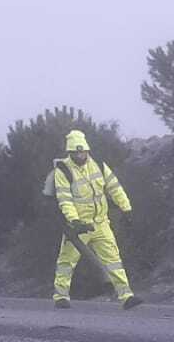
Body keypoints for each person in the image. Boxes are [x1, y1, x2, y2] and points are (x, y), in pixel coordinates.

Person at [49, 129, 138, 308]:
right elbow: (65, 199)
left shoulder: (99, 164)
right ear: (70, 152)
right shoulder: (63, 170)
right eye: (76, 152)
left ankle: (126, 296)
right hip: (77, 226)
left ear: (87, 150)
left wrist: (126, 208)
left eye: (82, 151)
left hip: (101, 223)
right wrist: (74, 221)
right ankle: (61, 296)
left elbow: (115, 188)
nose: (80, 155)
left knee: (113, 259)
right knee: (67, 261)